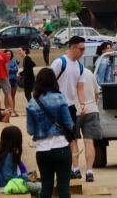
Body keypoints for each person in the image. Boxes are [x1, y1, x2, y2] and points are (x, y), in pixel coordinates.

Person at [28, 67, 75, 198]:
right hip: (61, 147)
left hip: (42, 150)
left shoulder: (33, 102)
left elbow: (30, 130)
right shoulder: (60, 98)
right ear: (54, 81)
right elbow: (68, 123)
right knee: (63, 189)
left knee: (46, 188)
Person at [52, 35, 87, 180]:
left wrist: (83, 104)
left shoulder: (80, 66)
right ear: (72, 47)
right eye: (81, 49)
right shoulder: (60, 62)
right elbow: (48, 81)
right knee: (57, 138)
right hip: (56, 106)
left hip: (71, 107)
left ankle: (76, 168)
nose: (83, 52)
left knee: (72, 138)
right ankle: (59, 169)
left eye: (84, 49)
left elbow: (80, 88)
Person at [75, 57, 102, 183]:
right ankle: (89, 171)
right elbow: (97, 93)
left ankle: (75, 169)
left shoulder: (68, 74)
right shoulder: (89, 73)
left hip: (74, 110)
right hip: (91, 108)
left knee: (73, 141)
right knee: (89, 141)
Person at [0, 124, 41, 194]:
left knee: (39, 185)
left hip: (11, 183)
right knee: (42, 187)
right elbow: (8, 176)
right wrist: (26, 178)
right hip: (9, 185)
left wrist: (27, 176)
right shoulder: (8, 155)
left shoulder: (7, 152)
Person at [7, 50, 20, 115]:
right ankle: (9, 110)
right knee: (8, 96)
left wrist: (11, 69)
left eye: (9, 54)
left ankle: (13, 109)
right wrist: (13, 69)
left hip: (14, 80)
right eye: (7, 54)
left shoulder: (14, 61)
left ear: (11, 55)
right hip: (7, 81)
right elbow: (8, 70)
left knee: (13, 96)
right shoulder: (5, 62)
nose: (8, 55)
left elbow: (16, 69)